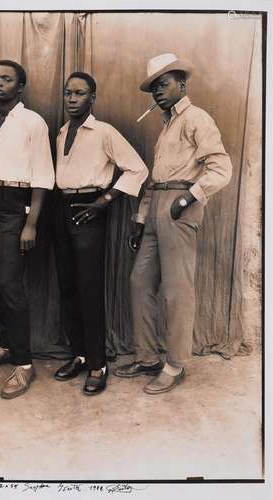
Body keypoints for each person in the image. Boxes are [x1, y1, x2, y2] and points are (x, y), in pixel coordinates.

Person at [114, 53, 232, 394]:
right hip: (156, 207)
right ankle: (148, 356)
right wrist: (140, 219)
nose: (158, 92)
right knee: (139, 281)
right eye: (153, 88)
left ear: (182, 84)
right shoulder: (166, 128)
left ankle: (175, 364)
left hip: (181, 206)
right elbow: (155, 181)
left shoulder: (197, 118)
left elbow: (221, 168)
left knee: (177, 289)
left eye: (163, 85)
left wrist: (189, 198)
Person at [53, 71, 148, 396]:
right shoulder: (62, 131)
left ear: (92, 98)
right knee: (67, 286)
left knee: (89, 288)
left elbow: (138, 168)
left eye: (79, 93)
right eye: (68, 93)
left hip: (88, 210)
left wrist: (103, 201)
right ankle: (79, 354)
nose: (72, 99)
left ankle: (98, 363)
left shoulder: (104, 131)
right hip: (60, 209)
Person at [0, 60, 55, 399]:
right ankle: (5, 345)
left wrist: (30, 223)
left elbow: (42, 176)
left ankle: (23, 364)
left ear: (20, 87)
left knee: (10, 282)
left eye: (6, 79)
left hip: (16, 203)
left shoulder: (32, 122)